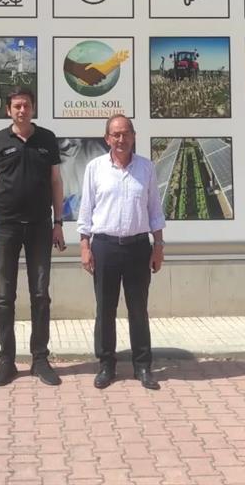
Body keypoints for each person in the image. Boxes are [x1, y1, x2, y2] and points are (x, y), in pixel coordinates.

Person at [0, 87, 66, 387]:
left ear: (33, 108)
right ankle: (7, 360)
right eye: (16, 106)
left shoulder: (47, 139)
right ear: (9, 110)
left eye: (26, 105)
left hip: (40, 227)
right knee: (5, 296)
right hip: (6, 226)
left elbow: (56, 181)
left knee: (40, 294)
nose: (22, 110)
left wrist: (58, 222)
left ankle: (40, 359)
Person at [77, 114, 166, 390]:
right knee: (105, 309)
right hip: (105, 247)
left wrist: (158, 246)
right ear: (107, 138)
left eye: (126, 133)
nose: (121, 139)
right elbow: (86, 210)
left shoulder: (146, 168)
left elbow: (154, 210)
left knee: (138, 309)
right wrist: (84, 246)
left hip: (138, 247)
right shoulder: (95, 168)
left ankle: (143, 366)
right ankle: (106, 365)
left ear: (134, 136)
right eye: (115, 134)